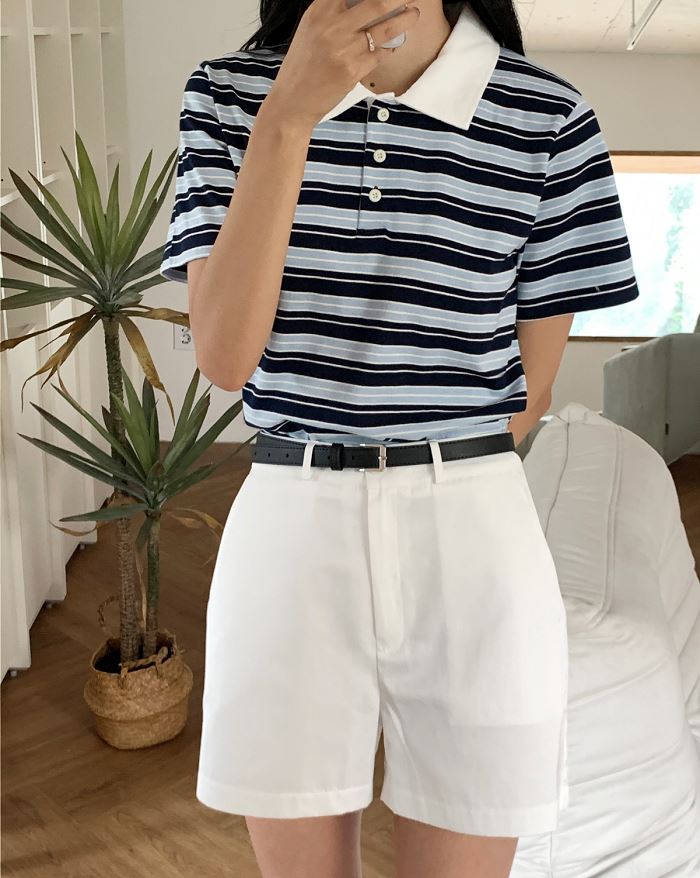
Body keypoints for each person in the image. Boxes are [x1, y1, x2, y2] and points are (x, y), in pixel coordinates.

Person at [159, 1, 640, 875]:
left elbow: (530, 390)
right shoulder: (230, 96)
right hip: (290, 524)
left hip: (473, 532)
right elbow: (225, 358)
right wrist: (288, 118)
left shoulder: (549, 116)